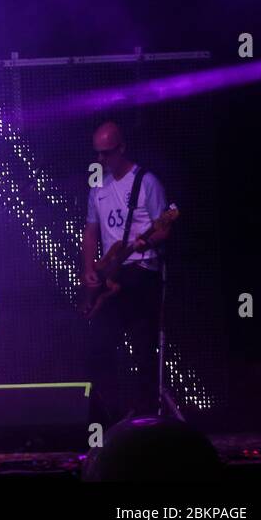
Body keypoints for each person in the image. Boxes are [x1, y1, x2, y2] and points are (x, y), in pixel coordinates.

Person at [81, 121, 172, 423]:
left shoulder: (146, 182)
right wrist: (89, 268)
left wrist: (143, 241)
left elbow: (164, 227)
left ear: (121, 148)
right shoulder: (98, 188)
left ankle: (145, 413)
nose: (101, 161)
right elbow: (91, 231)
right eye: (98, 154)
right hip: (112, 274)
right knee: (99, 344)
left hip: (141, 269)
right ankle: (110, 413)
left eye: (106, 154)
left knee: (143, 345)